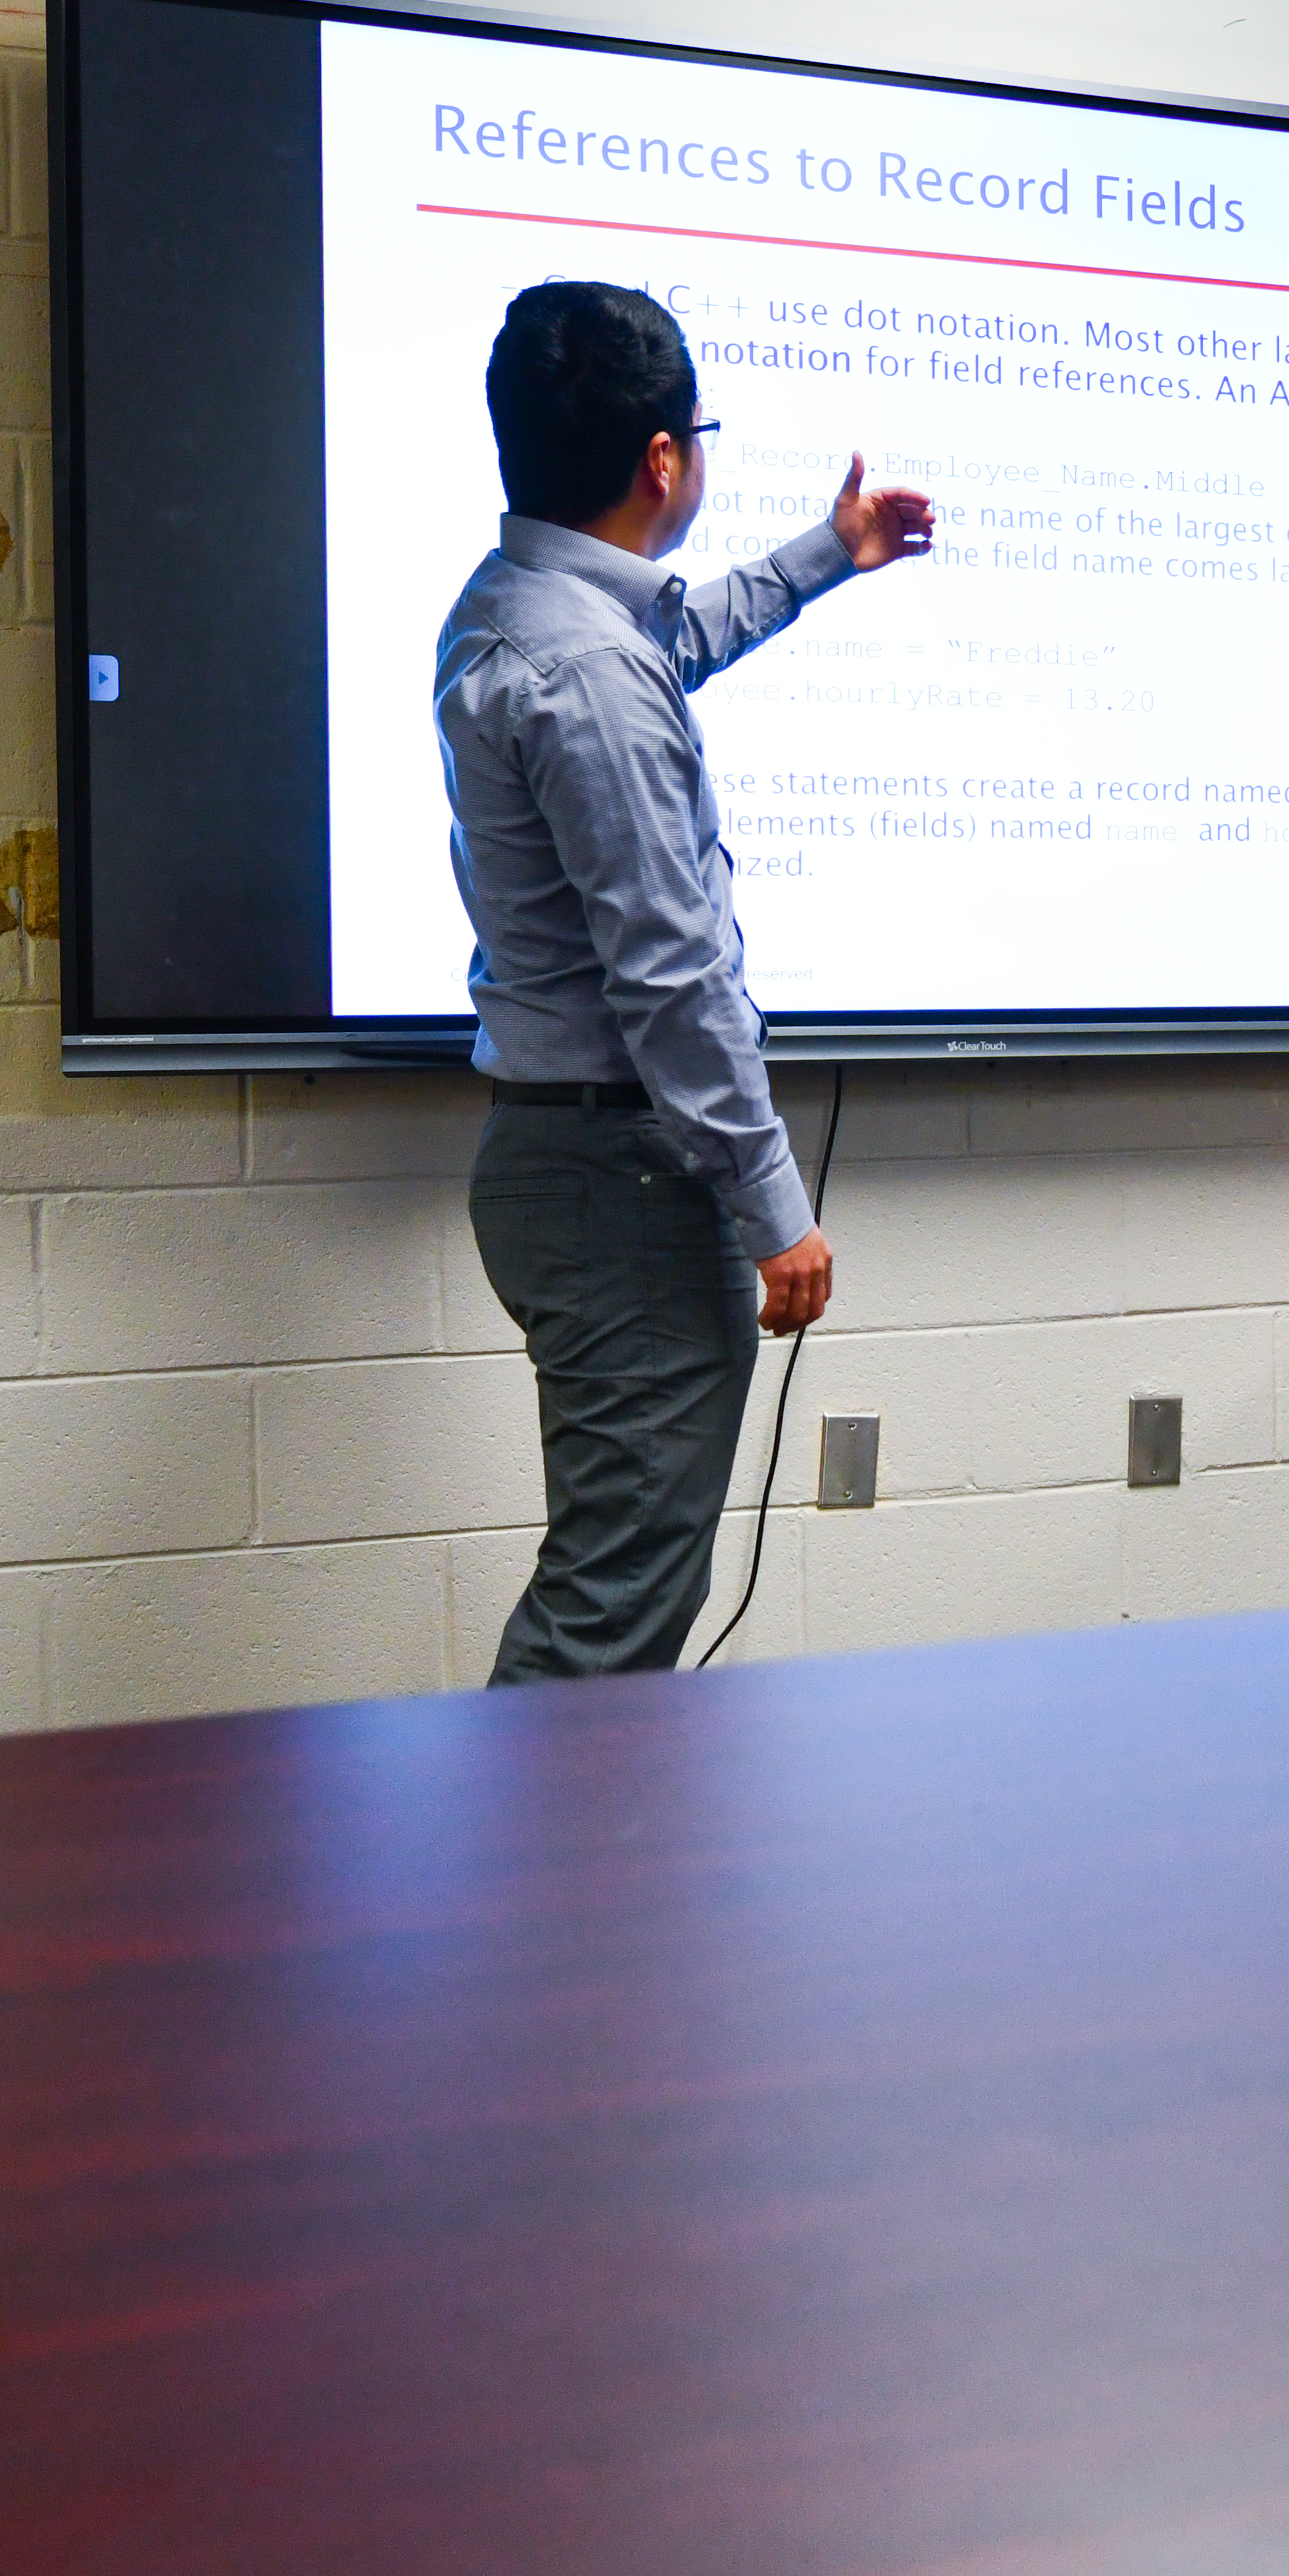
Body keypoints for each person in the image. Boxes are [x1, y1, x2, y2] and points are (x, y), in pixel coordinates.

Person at [440, 280, 933, 1680]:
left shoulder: (520, 609)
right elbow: (671, 974)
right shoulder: (588, 670)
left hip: (574, 1168)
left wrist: (825, 555)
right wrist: (776, 1207)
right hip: (626, 1185)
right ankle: (518, 1899)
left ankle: (555, 1891)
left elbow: (668, 644)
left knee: (616, 1585)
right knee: (609, 1614)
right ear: (664, 459)